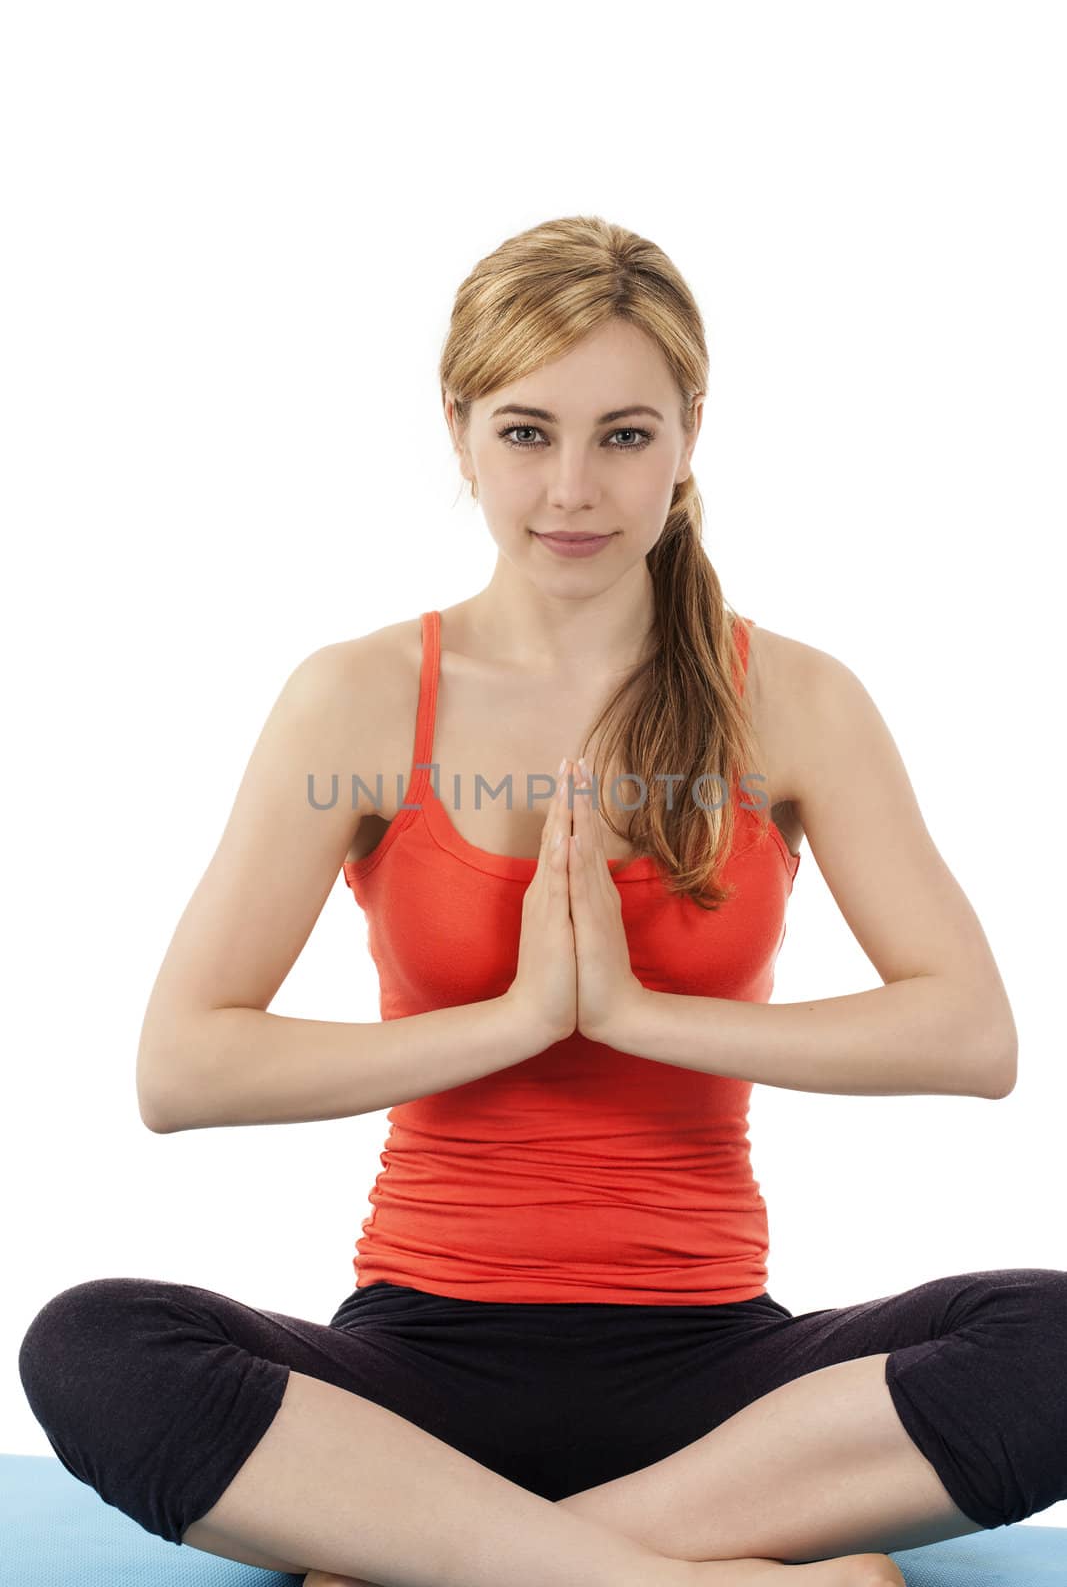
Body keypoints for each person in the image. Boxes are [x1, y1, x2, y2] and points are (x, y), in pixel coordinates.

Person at [18, 215, 1067, 1587]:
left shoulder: (797, 701)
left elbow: (969, 1036)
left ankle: (426, 1561)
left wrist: (634, 1014)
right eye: (526, 432)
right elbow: (183, 1067)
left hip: (722, 1377)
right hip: (418, 1368)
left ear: (692, 431)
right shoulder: (360, 696)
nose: (573, 487)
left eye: (625, 434)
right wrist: (517, 1020)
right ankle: (661, 1578)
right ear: (457, 431)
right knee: (89, 1341)